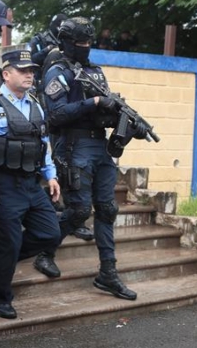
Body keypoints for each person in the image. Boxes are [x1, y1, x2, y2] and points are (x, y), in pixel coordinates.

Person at [42, 16, 144, 301]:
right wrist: (95, 102)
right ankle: (45, 251)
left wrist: (122, 120)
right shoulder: (57, 71)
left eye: (89, 42)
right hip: (73, 147)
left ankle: (108, 273)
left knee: (108, 209)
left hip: (99, 147)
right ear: (65, 42)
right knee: (77, 210)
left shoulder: (95, 71)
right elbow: (56, 115)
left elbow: (103, 112)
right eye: (80, 43)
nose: (85, 47)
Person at [0, 46, 62, 320]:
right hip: (0, 184)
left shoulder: (35, 104)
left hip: (30, 183)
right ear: (6, 74)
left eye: (31, 71)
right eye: (23, 71)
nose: (29, 76)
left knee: (50, 233)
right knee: (8, 242)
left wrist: (51, 174)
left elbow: (43, 143)